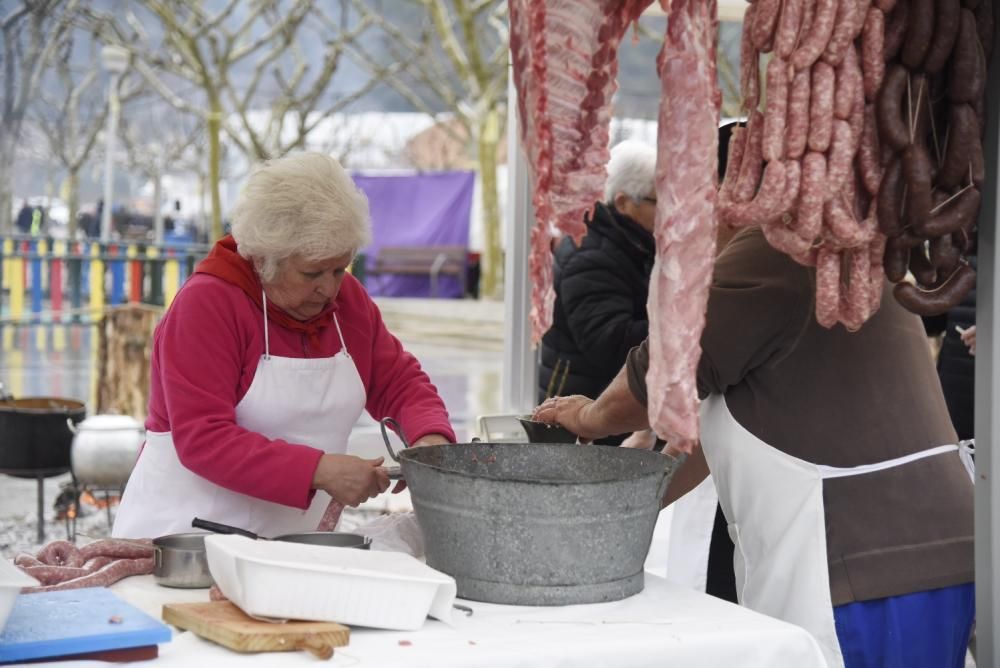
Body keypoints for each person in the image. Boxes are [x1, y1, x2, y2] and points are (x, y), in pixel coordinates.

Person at [534, 230, 974, 667]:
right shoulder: (834, 251)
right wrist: (612, 512)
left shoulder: (778, 248)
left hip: (863, 574)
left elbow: (662, 375)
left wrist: (589, 416)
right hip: (922, 562)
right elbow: (706, 438)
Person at [113, 152, 456, 539]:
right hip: (180, 541)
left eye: (339, 269)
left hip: (291, 546)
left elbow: (398, 382)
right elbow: (204, 437)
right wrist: (320, 470)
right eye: (312, 272)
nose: (328, 289)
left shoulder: (348, 302)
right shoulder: (207, 305)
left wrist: (429, 439)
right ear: (265, 260)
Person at [537, 140, 657, 445]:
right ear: (623, 203)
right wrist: (681, 331)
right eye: (659, 200)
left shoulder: (634, 243)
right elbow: (610, 342)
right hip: (585, 420)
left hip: (604, 412)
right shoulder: (590, 254)